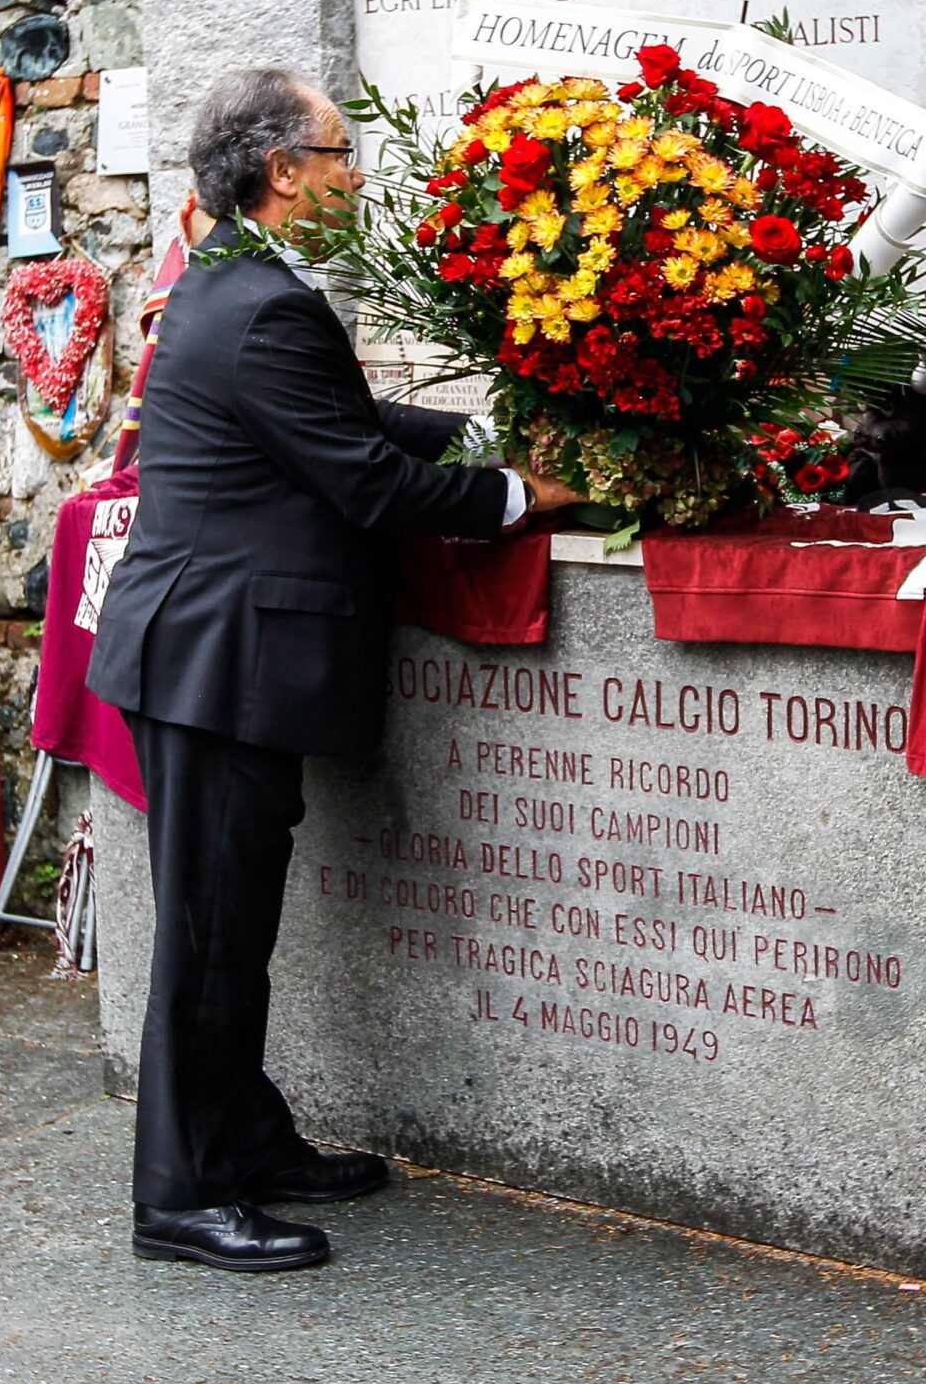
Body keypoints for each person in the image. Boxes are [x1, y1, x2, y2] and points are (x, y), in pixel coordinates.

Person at [86, 69, 575, 1272]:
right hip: (216, 657)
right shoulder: (257, 302)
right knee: (205, 934)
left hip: (222, 654)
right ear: (281, 169)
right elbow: (363, 481)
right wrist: (523, 491)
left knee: (233, 924)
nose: (356, 170)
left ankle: (245, 1136)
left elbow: (334, 418)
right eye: (339, 150)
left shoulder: (244, 282)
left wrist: (472, 431)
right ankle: (181, 1194)